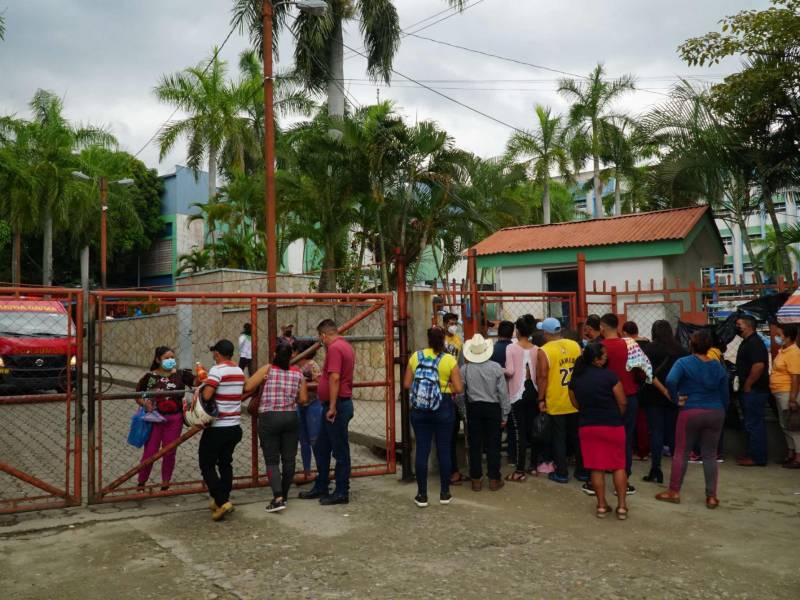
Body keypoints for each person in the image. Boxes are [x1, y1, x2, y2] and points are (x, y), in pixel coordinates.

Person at [657, 330, 729, 508]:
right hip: (715, 411)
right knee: (710, 454)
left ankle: (674, 491)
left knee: (681, 452)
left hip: (691, 410)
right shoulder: (717, 366)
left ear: (691, 344)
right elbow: (725, 392)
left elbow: (671, 380)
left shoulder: (683, 362)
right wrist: (721, 409)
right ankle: (711, 497)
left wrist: (676, 399)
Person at [244, 344, 309, 513]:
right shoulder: (298, 373)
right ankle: (284, 495)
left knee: (272, 460)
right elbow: (303, 399)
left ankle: (278, 497)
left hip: (269, 417)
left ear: (274, 354)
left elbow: (248, 386)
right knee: (289, 459)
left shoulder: (268, 369)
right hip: (290, 417)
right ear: (291, 356)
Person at [404, 326, 463, 507]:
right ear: (444, 340)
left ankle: (422, 495)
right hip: (443, 406)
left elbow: (406, 384)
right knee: (444, 450)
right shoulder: (449, 360)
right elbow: (459, 388)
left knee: (422, 450)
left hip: (420, 408)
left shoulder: (416, 357)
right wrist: (442, 387)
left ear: (428, 339)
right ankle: (444, 493)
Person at [569, 343, 629, 519]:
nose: (606, 357)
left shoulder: (576, 379)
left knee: (596, 467)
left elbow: (575, 403)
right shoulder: (610, 376)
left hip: (588, 426)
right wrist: (617, 416)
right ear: (597, 359)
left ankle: (601, 506)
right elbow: (622, 402)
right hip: (612, 425)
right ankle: (622, 507)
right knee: (618, 466)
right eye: (604, 355)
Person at [299, 319, 355, 505]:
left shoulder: (335, 348)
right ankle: (321, 485)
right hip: (333, 405)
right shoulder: (345, 346)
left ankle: (342, 491)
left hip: (336, 406)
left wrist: (332, 407)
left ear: (323, 335)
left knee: (340, 450)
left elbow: (335, 378)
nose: (320, 341)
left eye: (319, 337)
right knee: (322, 448)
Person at [600, 313, 648, 495]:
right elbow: (642, 371)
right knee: (625, 439)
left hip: (606, 399)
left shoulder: (599, 348)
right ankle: (624, 480)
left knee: (604, 438)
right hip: (629, 396)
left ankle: (600, 476)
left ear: (602, 327)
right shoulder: (631, 345)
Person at [199, 340, 245, 521]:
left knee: (206, 463)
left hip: (218, 427)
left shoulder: (217, 370)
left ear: (217, 354)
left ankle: (222, 501)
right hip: (235, 426)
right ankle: (221, 500)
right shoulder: (239, 371)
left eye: (214, 353)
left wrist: (204, 384)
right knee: (225, 463)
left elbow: (207, 395)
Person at [135, 346, 189, 492]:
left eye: (172, 357)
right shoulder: (151, 377)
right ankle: (141, 483)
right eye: (167, 358)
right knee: (150, 452)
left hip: (175, 419)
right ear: (158, 360)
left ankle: (165, 483)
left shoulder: (180, 375)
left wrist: (202, 376)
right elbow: (138, 395)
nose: (171, 360)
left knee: (169, 452)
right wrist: (144, 403)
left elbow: (197, 382)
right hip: (155, 419)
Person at [640, 320, 687, 484]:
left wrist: (663, 391)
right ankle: (677, 472)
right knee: (673, 433)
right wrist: (673, 392)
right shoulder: (681, 350)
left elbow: (647, 374)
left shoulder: (648, 350)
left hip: (653, 396)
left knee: (656, 432)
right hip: (674, 396)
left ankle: (656, 469)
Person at [461, 334, 510, 491]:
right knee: (493, 444)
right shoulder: (496, 367)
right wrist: (505, 414)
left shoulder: (465, 369)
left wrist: (464, 412)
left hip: (474, 408)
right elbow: (503, 393)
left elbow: (461, 393)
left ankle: (476, 479)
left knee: (475, 444)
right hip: (493, 408)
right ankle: (494, 478)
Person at [538, 317, 583, 484]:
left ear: (546, 333)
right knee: (577, 436)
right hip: (575, 398)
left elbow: (542, 377)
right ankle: (583, 471)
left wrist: (541, 398)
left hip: (556, 399)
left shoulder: (544, 350)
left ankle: (562, 472)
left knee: (559, 438)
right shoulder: (575, 345)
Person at [504, 316, 548, 480]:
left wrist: (499, 370)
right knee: (533, 431)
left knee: (519, 433)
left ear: (518, 331)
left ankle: (519, 470)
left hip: (517, 394)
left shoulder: (511, 347)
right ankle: (533, 466)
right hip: (534, 392)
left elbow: (510, 371)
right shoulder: (537, 349)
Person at [735, 314, 769, 467]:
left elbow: (759, 366)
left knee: (754, 423)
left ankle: (757, 457)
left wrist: (748, 384)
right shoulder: (748, 342)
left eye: (739, 324)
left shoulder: (754, 343)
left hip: (755, 390)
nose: (737, 327)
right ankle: (752, 454)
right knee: (750, 423)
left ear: (749, 326)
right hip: (751, 390)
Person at [770, 323, 800, 469]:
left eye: (779, 335)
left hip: (787, 393)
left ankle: (798, 457)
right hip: (779, 392)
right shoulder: (783, 350)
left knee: (793, 426)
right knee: (784, 425)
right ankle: (790, 453)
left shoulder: (794, 352)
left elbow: (795, 377)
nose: (777, 337)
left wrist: (793, 399)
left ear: (788, 337)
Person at [293, 339, 324, 481]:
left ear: (301, 353)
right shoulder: (295, 366)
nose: (293, 354)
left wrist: (305, 384)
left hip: (313, 404)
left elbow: (320, 383)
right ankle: (307, 471)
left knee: (314, 439)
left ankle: (321, 471)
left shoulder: (312, 365)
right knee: (303, 440)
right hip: (300, 405)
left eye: (295, 351)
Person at [442, 312, 468, 485]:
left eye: (455, 323)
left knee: (453, 430)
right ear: (444, 323)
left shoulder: (459, 341)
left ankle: (454, 471)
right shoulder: (440, 340)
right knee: (447, 435)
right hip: (443, 389)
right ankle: (451, 472)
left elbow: (461, 365)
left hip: (455, 390)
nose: (453, 326)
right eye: (450, 323)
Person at [622, 321, 651, 461]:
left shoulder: (627, 346)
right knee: (643, 420)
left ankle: (633, 449)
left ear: (625, 333)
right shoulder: (648, 344)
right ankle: (644, 450)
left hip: (632, 386)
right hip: (647, 384)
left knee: (632, 420)